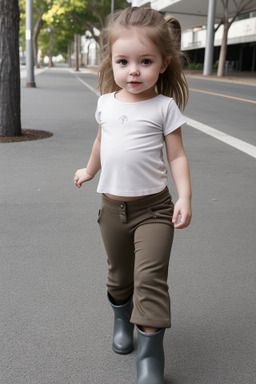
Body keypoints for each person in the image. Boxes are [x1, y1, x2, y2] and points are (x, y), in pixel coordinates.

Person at [74, 7, 192, 384]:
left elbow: (176, 155)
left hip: (155, 209)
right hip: (111, 208)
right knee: (120, 277)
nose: (134, 70)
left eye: (145, 61)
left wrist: (185, 197)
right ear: (112, 61)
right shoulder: (106, 103)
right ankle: (122, 323)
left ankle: (150, 360)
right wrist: (89, 170)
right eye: (124, 61)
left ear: (163, 63)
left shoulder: (164, 107)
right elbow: (100, 141)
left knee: (151, 279)